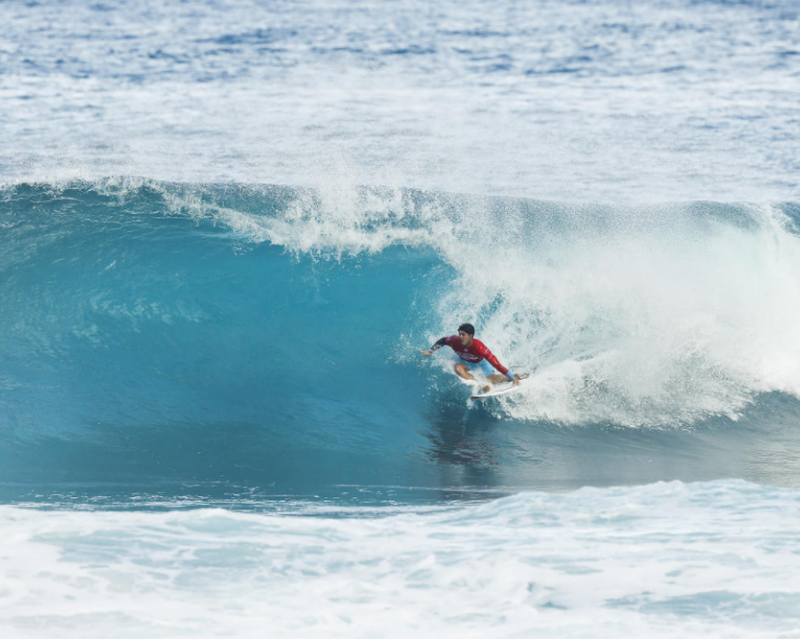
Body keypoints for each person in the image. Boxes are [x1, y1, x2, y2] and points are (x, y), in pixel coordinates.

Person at [420, 323, 521, 392]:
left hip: (481, 363)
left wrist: (513, 379)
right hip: (466, 363)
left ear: (471, 336)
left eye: (463, 334)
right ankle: (481, 385)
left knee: (493, 380)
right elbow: (443, 340)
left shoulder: (480, 348)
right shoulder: (454, 341)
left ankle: (513, 376)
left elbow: (497, 365)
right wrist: (431, 351)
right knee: (458, 368)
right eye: (459, 334)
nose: (460, 337)